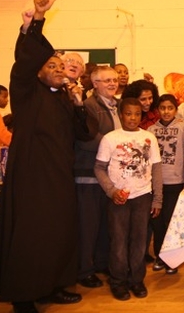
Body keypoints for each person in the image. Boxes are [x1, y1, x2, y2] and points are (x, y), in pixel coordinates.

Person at [0, 0, 95, 313]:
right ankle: (23, 296)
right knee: (32, 233)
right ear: (38, 72)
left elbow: (84, 134)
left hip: (59, 175)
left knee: (59, 231)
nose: (60, 70)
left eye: (62, 66)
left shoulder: (64, 97)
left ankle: (52, 286)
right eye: (53, 65)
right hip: (32, 177)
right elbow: (25, 62)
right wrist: (37, 21)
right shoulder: (25, 91)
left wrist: (77, 107)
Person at [94, 97, 163, 301]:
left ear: (141, 115)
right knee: (119, 241)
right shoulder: (110, 138)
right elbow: (99, 168)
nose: (132, 118)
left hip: (142, 196)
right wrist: (111, 190)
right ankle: (118, 281)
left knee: (139, 241)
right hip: (118, 198)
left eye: (137, 114)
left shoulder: (149, 138)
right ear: (120, 115)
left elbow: (157, 170)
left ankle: (136, 280)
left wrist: (157, 199)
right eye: (128, 113)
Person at [73, 66, 121, 289]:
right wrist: (118, 146)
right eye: (107, 80)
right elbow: (85, 139)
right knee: (88, 226)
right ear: (95, 84)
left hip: (110, 177)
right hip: (89, 175)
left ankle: (101, 263)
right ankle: (84, 270)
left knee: (105, 225)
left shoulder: (118, 106)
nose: (113, 83)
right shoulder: (88, 106)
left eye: (115, 80)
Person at [147, 94, 184, 274]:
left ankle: (171, 259)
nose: (166, 112)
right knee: (157, 223)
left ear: (176, 109)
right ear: (157, 110)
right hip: (156, 184)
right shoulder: (150, 131)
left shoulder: (183, 127)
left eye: (170, 108)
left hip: (176, 182)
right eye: (162, 108)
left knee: (171, 221)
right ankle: (160, 256)